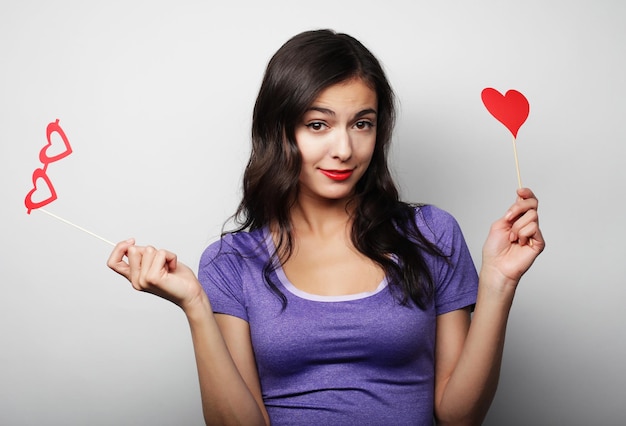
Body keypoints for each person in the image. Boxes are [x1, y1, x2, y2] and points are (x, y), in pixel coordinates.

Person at [107, 29, 544, 425]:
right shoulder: (231, 263)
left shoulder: (431, 233)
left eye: (362, 124)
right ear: (280, 131)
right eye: (318, 125)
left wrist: (498, 284)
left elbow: (458, 416)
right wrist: (195, 306)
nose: (344, 149)